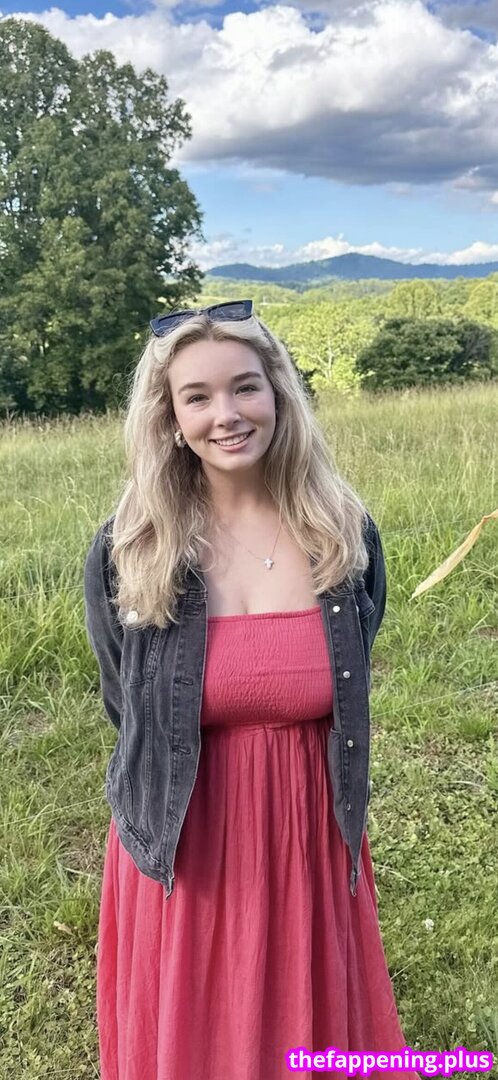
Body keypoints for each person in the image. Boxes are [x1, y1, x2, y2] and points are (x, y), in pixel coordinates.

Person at [83, 300, 419, 1080]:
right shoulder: (132, 548)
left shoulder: (344, 535)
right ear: (170, 419)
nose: (226, 415)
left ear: (278, 394)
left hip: (307, 835)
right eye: (197, 397)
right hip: (186, 842)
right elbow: (124, 704)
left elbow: (351, 669)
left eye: (245, 387)